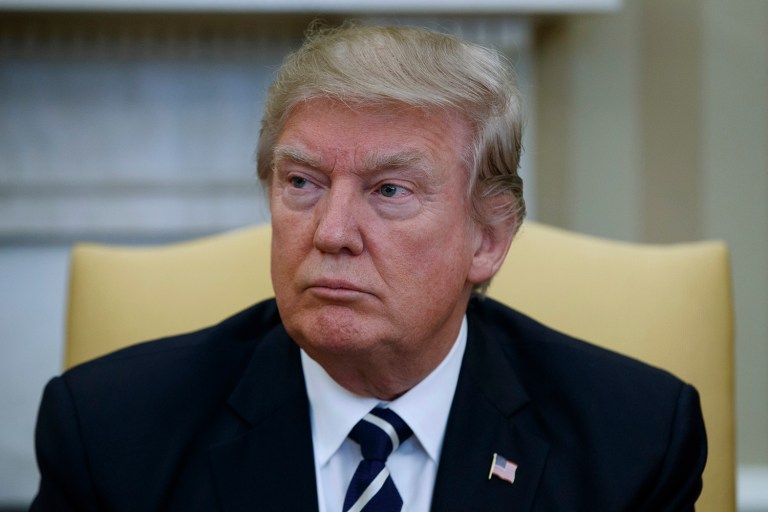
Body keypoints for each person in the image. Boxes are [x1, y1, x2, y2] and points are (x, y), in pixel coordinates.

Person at [30, 24, 706, 511]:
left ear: (489, 239)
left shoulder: (633, 438)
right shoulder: (111, 431)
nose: (331, 232)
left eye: (390, 191)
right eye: (302, 182)